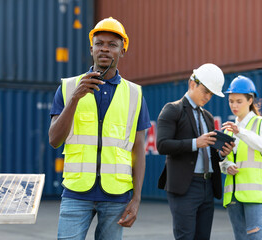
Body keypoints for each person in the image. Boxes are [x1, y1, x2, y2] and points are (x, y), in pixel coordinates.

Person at [48, 17, 151, 240]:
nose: (105, 49)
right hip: (76, 194)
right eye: (99, 43)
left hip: (116, 196)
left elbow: (138, 149)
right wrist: (75, 98)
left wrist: (137, 198)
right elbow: (54, 140)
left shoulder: (135, 95)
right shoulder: (68, 88)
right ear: (92, 48)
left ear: (122, 50)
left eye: (112, 45)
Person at [156, 63, 235, 240]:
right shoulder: (172, 110)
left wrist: (222, 153)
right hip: (186, 186)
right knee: (185, 237)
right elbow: (162, 145)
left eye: (211, 94)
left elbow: (208, 152)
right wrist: (194, 143)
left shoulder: (207, 116)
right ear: (193, 83)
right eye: (205, 91)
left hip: (207, 186)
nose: (208, 97)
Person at [220, 75, 262, 240]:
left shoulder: (261, 123)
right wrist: (226, 165)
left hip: (255, 195)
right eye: (231, 101)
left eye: (239, 101)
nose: (234, 105)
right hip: (233, 196)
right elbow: (222, 162)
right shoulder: (228, 130)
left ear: (250, 100)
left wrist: (241, 132)